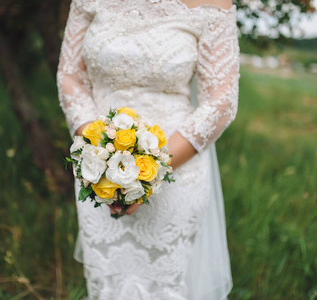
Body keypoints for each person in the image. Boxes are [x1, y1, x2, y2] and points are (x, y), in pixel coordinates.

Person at [57, 0, 240, 298]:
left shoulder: (211, 3)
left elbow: (222, 101)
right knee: (107, 284)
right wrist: (98, 154)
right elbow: (70, 77)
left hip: (176, 172)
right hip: (98, 174)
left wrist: (148, 173)